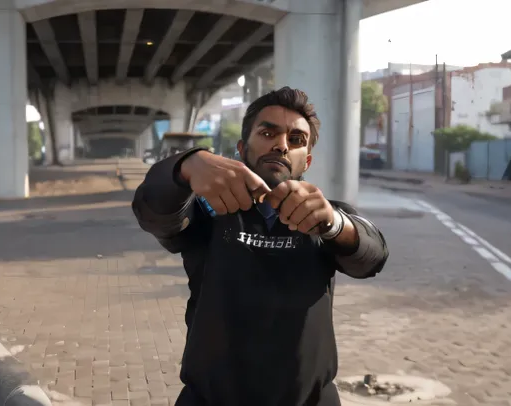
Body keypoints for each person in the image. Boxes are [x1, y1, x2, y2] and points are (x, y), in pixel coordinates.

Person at [131, 87, 388, 406]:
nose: (281, 144)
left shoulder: (326, 216)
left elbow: (372, 256)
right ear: (241, 148)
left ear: (305, 160)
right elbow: (153, 213)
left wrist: (334, 224)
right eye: (268, 132)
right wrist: (184, 167)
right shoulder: (208, 209)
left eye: (296, 140)